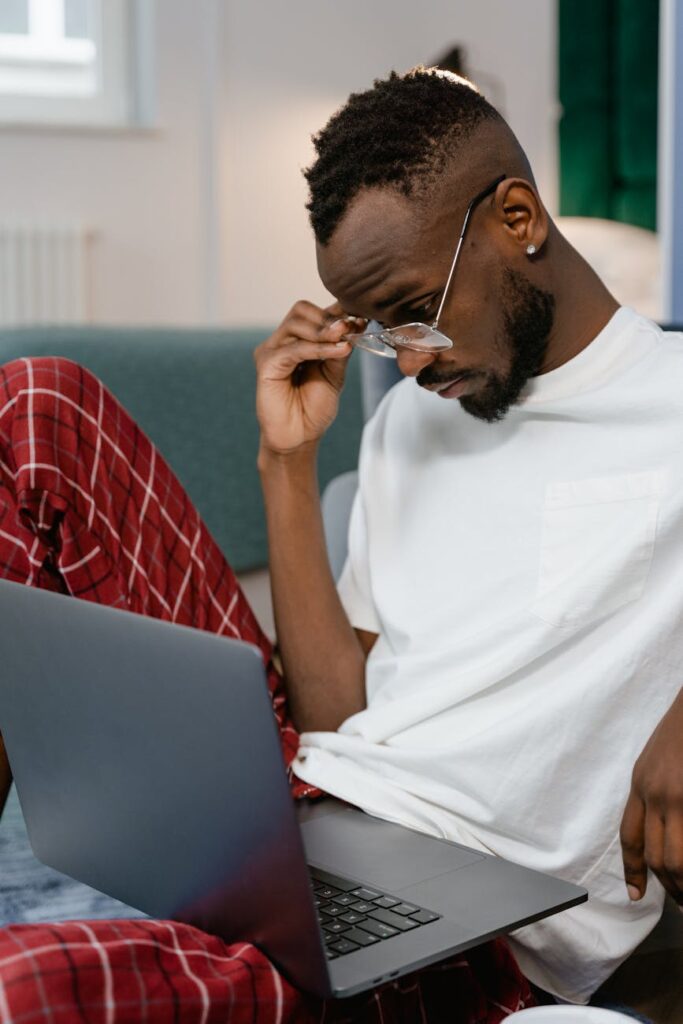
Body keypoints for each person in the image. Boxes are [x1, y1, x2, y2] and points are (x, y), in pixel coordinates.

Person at [0, 66, 681, 1021]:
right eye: (381, 330)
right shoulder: (416, 417)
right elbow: (333, 720)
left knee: (25, 991)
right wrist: (287, 463)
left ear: (517, 219)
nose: (405, 358)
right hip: (311, 819)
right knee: (37, 403)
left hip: (477, 939)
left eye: (415, 310)